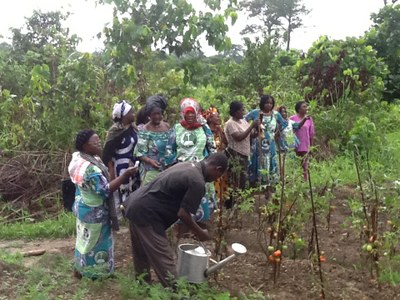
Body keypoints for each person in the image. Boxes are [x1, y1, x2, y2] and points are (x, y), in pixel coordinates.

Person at [123, 153, 228, 287]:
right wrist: (200, 232)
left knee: (141, 253)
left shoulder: (188, 165)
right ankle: (177, 292)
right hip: (148, 214)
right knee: (163, 258)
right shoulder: (197, 182)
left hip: (136, 204)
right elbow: (183, 214)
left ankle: (142, 287)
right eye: (218, 177)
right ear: (217, 169)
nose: (215, 180)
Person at [68, 129, 138, 279]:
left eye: (99, 140)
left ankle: (80, 268)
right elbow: (105, 190)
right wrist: (125, 175)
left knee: (84, 239)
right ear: (86, 146)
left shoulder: (80, 159)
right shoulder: (91, 168)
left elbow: (105, 180)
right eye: (95, 142)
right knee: (97, 242)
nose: (99, 143)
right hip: (94, 211)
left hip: (83, 206)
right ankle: (97, 273)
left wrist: (111, 168)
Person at [166, 98, 216, 226]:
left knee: (200, 195)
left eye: (192, 113)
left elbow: (212, 148)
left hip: (201, 169)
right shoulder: (176, 129)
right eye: (187, 113)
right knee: (183, 197)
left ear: (197, 113)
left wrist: (210, 165)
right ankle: (183, 226)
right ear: (183, 113)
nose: (190, 116)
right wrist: (172, 166)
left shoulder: (204, 128)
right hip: (182, 169)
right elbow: (169, 149)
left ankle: (200, 224)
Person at [102, 100, 141, 218]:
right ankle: (121, 216)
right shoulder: (115, 132)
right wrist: (111, 170)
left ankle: (132, 214)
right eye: (131, 112)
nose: (134, 114)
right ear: (124, 116)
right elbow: (107, 153)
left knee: (134, 189)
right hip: (120, 166)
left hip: (133, 164)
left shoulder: (133, 129)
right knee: (122, 189)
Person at [245, 95, 287, 200]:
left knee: (270, 164)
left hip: (271, 144)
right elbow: (243, 121)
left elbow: (284, 124)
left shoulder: (276, 115)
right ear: (262, 103)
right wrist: (252, 128)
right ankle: (254, 192)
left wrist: (277, 132)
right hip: (257, 144)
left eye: (271, 103)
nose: (269, 105)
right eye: (266, 103)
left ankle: (268, 191)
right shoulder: (255, 113)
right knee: (257, 164)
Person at [224, 101, 260, 208]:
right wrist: (251, 126)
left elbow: (250, 136)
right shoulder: (230, 124)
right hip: (235, 154)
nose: (243, 112)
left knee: (242, 179)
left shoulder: (243, 121)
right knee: (237, 179)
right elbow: (238, 137)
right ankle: (232, 203)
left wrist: (257, 130)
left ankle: (238, 202)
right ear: (235, 112)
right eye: (241, 110)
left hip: (244, 154)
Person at [136, 95, 171, 185]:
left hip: (167, 168)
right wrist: (150, 161)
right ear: (149, 115)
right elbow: (139, 153)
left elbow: (171, 145)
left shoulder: (167, 126)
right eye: (154, 114)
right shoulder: (145, 130)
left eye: (159, 113)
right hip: (151, 170)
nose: (157, 116)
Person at [203, 106, 229, 210]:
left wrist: (221, 131)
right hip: (210, 162)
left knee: (222, 182)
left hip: (221, 160)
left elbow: (226, 143)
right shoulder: (205, 130)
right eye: (216, 116)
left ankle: (221, 204)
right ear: (209, 118)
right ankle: (213, 204)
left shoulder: (219, 129)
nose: (219, 118)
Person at [290, 101, 315, 181]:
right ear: (299, 109)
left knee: (305, 165)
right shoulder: (292, 119)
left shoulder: (309, 119)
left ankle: (305, 182)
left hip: (305, 145)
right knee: (295, 164)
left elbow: (311, 133)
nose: (306, 108)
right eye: (304, 107)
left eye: (306, 106)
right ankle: (295, 181)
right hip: (295, 145)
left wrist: (311, 146)